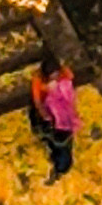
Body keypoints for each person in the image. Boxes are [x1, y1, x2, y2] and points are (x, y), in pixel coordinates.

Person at [28, 50, 79, 179]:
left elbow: (69, 83)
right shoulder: (39, 81)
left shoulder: (63, 76)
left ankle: (61, 164)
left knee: (61, 142)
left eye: (57, 74)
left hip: (62, 116)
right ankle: (59, 163)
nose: (55, 77)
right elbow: (38, 101)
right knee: (54, 140)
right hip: (48, 111)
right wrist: (45, 115)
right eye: (52, 75)